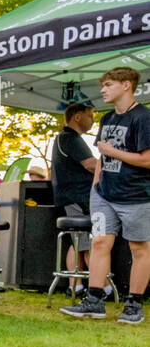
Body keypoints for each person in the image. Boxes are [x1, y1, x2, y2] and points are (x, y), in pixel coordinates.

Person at [61, 67, 150, 324]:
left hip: (136, 195)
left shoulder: (143, 118)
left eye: (108, 84)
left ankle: (134, 305)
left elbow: (146, 159)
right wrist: (95, 188)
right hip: (104, 195)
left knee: (139, 249)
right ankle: (94, 300)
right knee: (99, 243)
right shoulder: (107, 118)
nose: (102, 90)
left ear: (126, 86)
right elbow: (102, 156)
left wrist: (114, 151)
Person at [51, 101, 98, 298]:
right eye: (90, 116)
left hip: (69, 198)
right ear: (77, 117)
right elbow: (91, 165)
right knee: (87, 243)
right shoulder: (71, 138)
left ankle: (76, 285)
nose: (93, 120)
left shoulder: (63, 138)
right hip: (77, 197)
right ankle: (98, 287)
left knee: (77, 241)